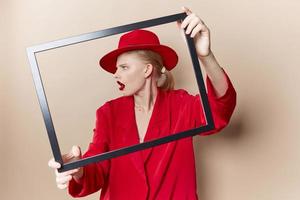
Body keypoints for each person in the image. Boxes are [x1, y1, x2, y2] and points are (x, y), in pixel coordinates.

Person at [48, 7, 236, 200]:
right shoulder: (108, 113)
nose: (115, 74)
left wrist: (206, 56)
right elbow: (96, 171)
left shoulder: (181, 105)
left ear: (147, 69)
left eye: (124, 67)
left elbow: (219, 108)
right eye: (116, 68)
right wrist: (78, 170)